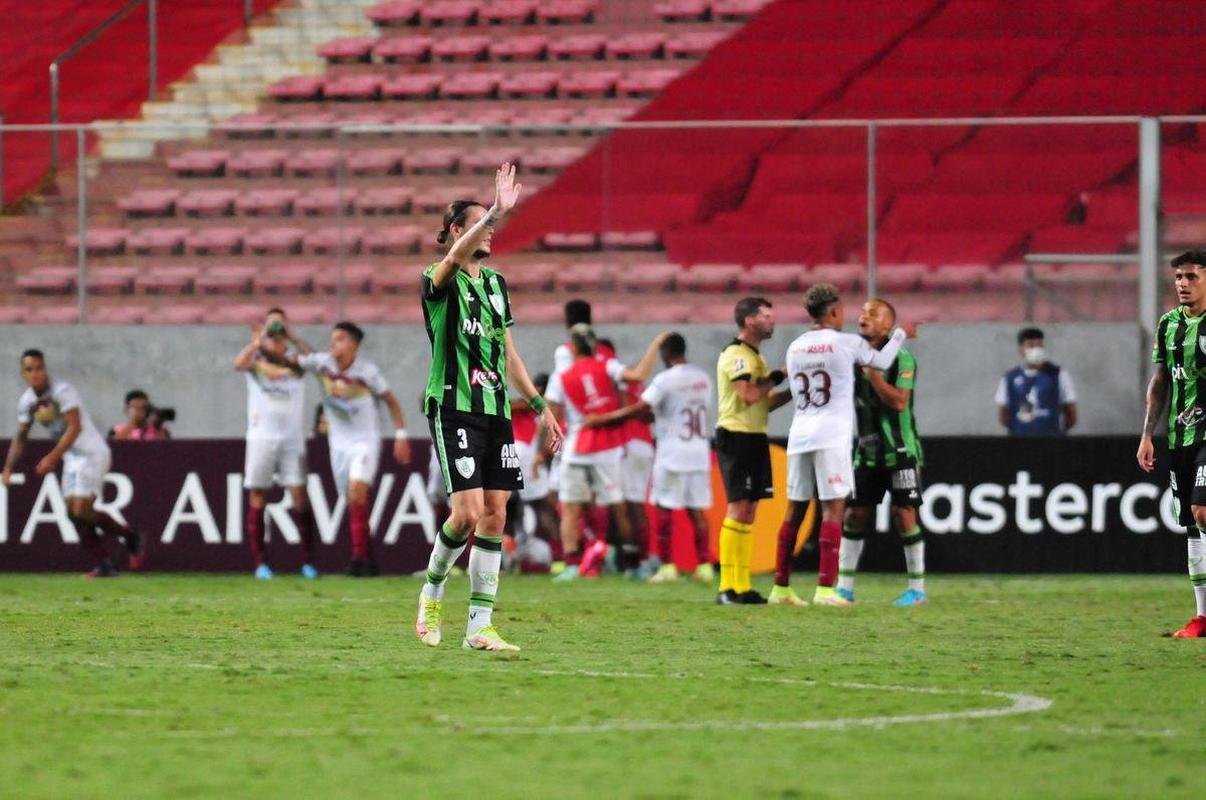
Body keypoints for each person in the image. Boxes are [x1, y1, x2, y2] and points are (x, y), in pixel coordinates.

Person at [415, 163, 563, 652]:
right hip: (453, 407)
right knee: (466, 514)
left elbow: (509, 354)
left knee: (496, 514)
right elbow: (451, 261)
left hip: (496, 410)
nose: (492, 232)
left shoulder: (497, 285)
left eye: (493, 223)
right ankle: (432, 593)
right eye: (481, 224)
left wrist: (540, 407)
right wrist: (494, 210)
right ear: (458, 231)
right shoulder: (438, 280)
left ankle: (479, 627)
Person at [769, 284, 908, 607]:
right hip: (831, 435)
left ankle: (780, 588)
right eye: (842, 310)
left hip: (799, 434)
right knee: (833, 509)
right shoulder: (847, 343)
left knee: (795, 510)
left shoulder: (795, 346)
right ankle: (825, 590)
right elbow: (883, 361)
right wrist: (901, 334)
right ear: (833, 311)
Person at [585, 332, 714, 583]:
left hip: (672, 452)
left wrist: (603, 420)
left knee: (665, 509)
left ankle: (667, 567)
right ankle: (705, 567)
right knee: (697, 511)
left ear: (665, 353)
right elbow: (672, 412)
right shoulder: (703, 378)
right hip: (699, 451)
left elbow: (640, 408)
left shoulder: (665, 380)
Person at [1, 350, 143, 577]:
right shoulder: (27, 402)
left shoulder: (62, 391)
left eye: (39, 368)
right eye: (29, 369)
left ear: (45, 368)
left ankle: (129, 536)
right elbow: (21, 436)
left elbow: (74, 427)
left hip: (91, 453)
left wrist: (51, 457)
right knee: (73, 514)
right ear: (23, 373)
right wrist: (8, 468)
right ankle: (106, 563)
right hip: (71, 457)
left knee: (80, 510)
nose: (36, 373)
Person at [546, 324, 666, 582]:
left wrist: (548, 446)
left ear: (573, 347)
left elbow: (552, 413)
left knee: (570, 508)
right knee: (618, 507)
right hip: (608, 448)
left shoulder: (561, 376)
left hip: (576, 448)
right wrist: (655, 345)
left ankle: (571, 565)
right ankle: (633, 565)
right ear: (594, 346)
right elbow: (638, 375)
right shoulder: (608, 366)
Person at [294, 321, 411, 576]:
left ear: (354, 345)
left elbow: (391, 400)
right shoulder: (322, 364)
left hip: (365, 441)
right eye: (333, 338)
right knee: (352, 500)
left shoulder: (367, 372)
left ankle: (357, 559)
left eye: (340, 338)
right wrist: (291, 337)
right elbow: (301, 359)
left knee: (357, 494)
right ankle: (369, 558)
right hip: (338, 445)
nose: (333, 343)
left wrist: (401, 435)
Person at [838, 299, 927, 607]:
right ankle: (844, 588)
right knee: (855, 514)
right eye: (862, 311)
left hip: (900, 449)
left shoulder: (902, 358)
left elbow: (899, 402)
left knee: (904, 514)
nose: (864, 316)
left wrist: (872, 375)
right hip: (866, 452)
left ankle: (917, 590)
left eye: (873, 313)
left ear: (888, 325)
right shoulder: (851, 357)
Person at [1138, 249, 1206, 639]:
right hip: (1179, 437)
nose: (1182, 283)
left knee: (1202, 511)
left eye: (1191, 276)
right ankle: (1201, 617)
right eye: (1178, 276)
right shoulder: (1168, 324)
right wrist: (1147, 433)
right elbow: (1162, 380)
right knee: (1191, 526)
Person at [714, 297, 791, 605]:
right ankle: (727, 588)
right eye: (766, 316)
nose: (772, 321)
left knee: (749, 511)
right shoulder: (736, 354)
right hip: (736, 435)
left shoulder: (755, 356)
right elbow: (747, 395)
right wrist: (780, 375)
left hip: (755, 436)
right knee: (737, 508)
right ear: (749, 321)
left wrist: (795, 391)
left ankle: (742, 586)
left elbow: (764, 401)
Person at [233, 308, 320, 580]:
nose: (276, 329)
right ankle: (260, 563)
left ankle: (308, 562)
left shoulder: (295, 360)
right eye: (272, 324)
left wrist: (292, 336)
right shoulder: (257, 359)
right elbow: (238, 364)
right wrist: (256, 341)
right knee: (258, 496)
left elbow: (315, 361)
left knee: (299, 497)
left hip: (292, 438)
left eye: (280, 324)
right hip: (261, 436)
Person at [511, 373, 561, 570]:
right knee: (541, 507)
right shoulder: (543, 407)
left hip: (523, 453)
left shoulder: (537, 404)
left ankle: (550, 555)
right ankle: (557, 556)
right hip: (525, 454)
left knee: (535, 506)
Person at [996, 327, 1077, 436]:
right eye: (1030, 345)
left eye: (1039, 345)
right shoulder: (1010, 377)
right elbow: (1003, 415)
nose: (1036, 349)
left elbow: (1071, 412)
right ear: (1021, 349)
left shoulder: (1059, 374)